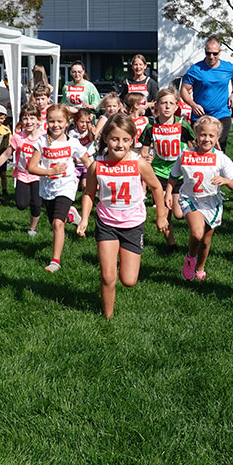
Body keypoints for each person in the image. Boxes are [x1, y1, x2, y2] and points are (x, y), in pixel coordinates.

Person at [76, 114, 168, 319]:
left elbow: (156, 187)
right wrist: (84, 218)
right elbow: (89, 193)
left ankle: (123, 261)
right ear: (106, 138)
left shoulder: (139, 163)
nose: (120, 144)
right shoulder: (97, 165)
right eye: (115, 139)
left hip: (133, 224)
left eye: (125, 140)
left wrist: (161, 215)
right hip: (106, 223)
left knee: (128, 280)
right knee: (108, 276)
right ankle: (107, 318)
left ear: (132, 140)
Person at [169, 116, 233, 282]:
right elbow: (173, 176)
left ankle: (200, 267)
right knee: (197, 233)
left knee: (206, 241)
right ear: (196, 134)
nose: (206, 139)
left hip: (212, 202)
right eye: (203, 135)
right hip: (190, 198)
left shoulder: (221, 158)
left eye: (211, 136)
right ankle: (190, 258)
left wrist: (226, 181)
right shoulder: (185, 154)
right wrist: (168, 194)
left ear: (217, 138)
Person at [26, 104, 92, 272]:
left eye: (60, 121)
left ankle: (55, 261)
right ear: (46, 122)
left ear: (67, 123)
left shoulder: (73, 143)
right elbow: (31, 167)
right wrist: (50, 172)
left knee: (57, 224)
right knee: (54, 222)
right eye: (52, 121)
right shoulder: (42, 142)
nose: (56, 125)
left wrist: (98, 176)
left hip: (67, 185)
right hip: (48, 188)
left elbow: (87, 162)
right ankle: (70, 215)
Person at [139, 87, 195, 247]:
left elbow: (193, 146)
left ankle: (196, 224)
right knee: (164, 212)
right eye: (164, 103)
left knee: (178, 213)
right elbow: (143, 150)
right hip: (159, 173)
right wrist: (146, 157)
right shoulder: (151, 127)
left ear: (177, 106)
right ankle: (171, 245)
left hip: (179, 173)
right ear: (157, 105)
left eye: (171, 103)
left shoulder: (183, 126)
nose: (167, 106)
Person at [0, 103, 44, 236]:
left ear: (38, 120)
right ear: (21, 120)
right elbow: (6, 154)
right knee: (21, 204)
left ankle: (32, 229)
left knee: (36, 204)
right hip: (23, 174)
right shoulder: (18, 137)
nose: (29, 122)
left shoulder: (44, 137)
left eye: (32, 118)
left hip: (39, 175)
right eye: (25, 118)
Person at [179, 36, 233, 151]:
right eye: (208, 53)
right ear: (205, 52)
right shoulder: (195, 69)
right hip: (200, 115)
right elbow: (183, 90)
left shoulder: (228, 67)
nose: (211, 57)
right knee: (202, 148)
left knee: (219, 147)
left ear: (220, 52)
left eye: (215, 53)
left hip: (222, 113)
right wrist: (193, 105)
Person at [69, 107, 97, 190]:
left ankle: (86, 196)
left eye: (86, 122)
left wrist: (90, 125)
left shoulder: (89, 131)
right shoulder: (72, 133)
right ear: (76, 121)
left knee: (85, 184)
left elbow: (92, 138)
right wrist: (75, 157)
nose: (84, 124)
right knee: (74, 183)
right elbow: (70, 147)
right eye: (81, 122)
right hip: (76, 161)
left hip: (88, 159)